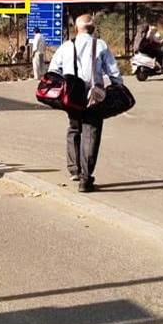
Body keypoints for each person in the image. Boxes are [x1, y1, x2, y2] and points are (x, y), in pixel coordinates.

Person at [47, 14, 123, 192]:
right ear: (94, 29)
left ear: (76, 29)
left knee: (74, 127)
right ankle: (85, 179)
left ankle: (74, 169)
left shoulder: (66, 46)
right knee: (91, 133)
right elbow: (114, 72)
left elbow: (52, 70)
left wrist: (63, 84)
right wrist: (118, 87)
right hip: (94, 95)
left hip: (72, 95)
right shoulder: (101, 45)